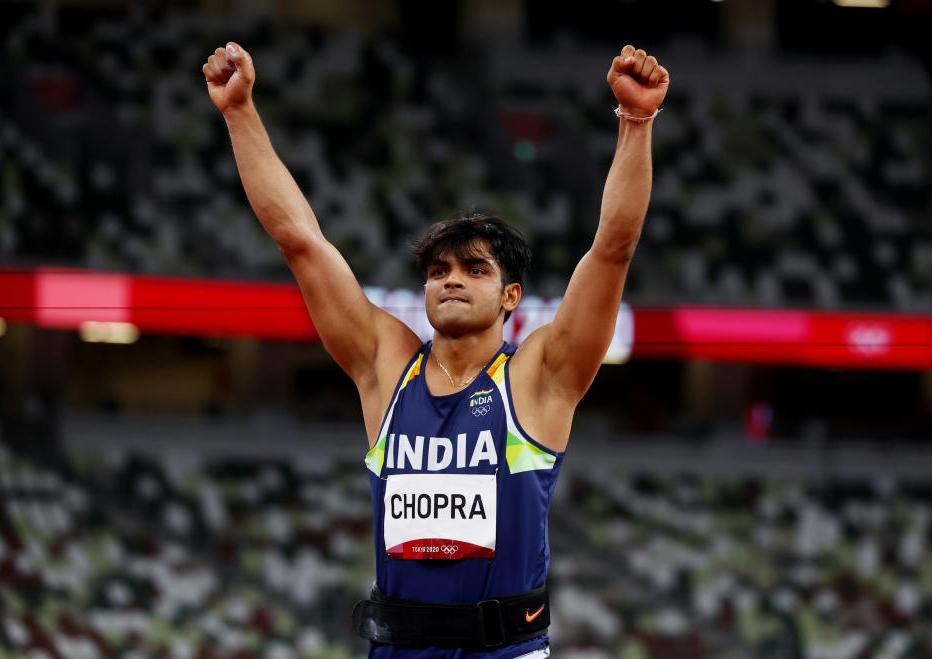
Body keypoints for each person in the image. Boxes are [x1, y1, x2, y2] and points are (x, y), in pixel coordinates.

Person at [203, 39, 668, 658]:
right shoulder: (386, 367)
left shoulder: (539, 378)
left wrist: (636, 122)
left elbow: (612, 248)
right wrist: (239, 112)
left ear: (510, 297)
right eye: (438, 270)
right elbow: (301, 241)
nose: (451, 279)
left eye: (475, 270)